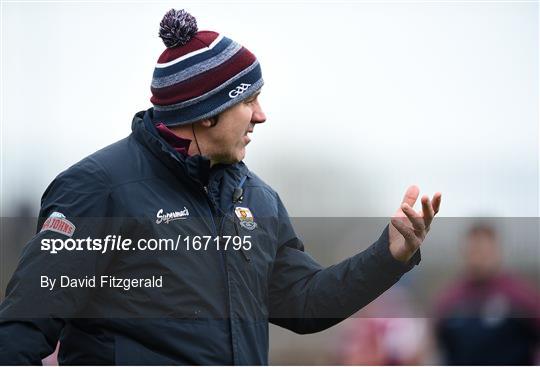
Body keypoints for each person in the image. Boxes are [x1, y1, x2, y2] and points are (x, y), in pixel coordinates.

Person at [0, 9, 441, 365]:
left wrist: (391, 255)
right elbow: (23, 330)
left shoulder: (258, 199)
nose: (261, 115)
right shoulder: (98, 188)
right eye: (249, 99)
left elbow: (305, 304)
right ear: (206, 111)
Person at [434, 224, 540, 365]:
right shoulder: (450, 298)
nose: (478, 259)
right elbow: (431, 345)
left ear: (497, 252)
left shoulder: (522, 296)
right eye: (473, 251)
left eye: (484, 252)